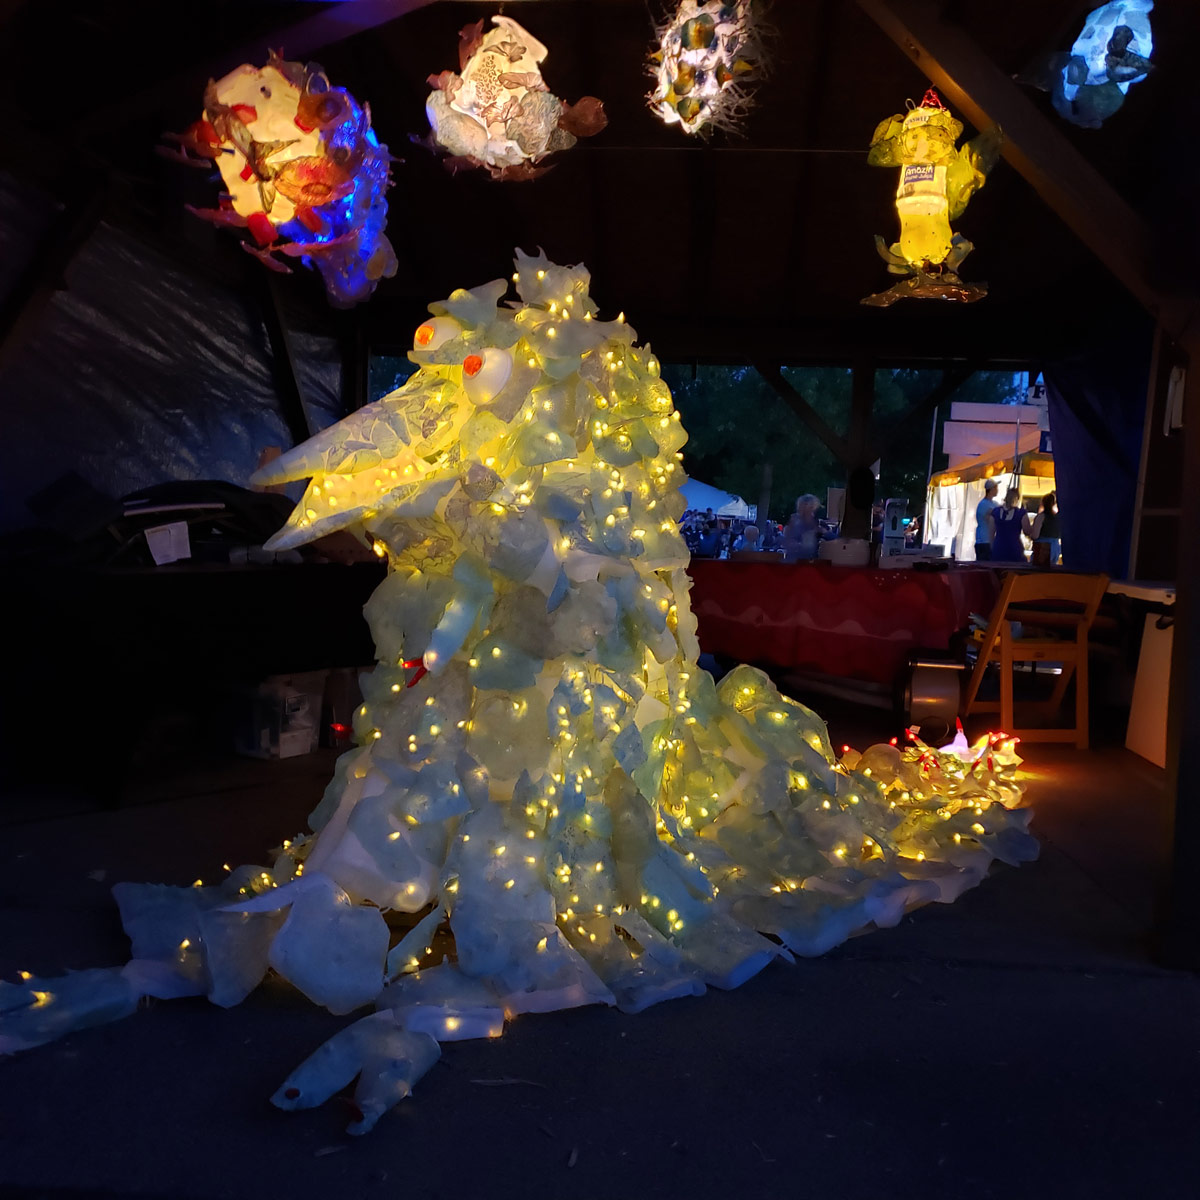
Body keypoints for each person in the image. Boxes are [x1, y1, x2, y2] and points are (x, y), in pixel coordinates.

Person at [990, 487, 1034, 562]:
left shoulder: (995, 512)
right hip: (1014, 549)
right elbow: (1027, 531)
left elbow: (991, 533)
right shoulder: (1021, 513)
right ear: (1017, 499)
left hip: (998, 549)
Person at [781, 494, 824, 562]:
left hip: (811, 560)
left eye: (813, 508)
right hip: (794, 560)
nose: (811, 511)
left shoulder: (817, 523)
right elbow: (786, 541)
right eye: (809, 507)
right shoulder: (793, 521)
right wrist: (798, 545)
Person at [1032, 491, 1061, 565]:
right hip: (1055, 547)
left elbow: (1035, 535)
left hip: (1043, 548)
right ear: (1054, 504)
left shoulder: (1041, 517)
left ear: (1042, 503)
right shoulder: (1059, 518)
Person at [974, 479, 1000, 561]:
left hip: (988, 541)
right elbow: (989, 518)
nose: (997, 490)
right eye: (996, 488)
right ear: (991, 490)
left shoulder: (994, 504)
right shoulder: (983, 504)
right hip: (984, 541)